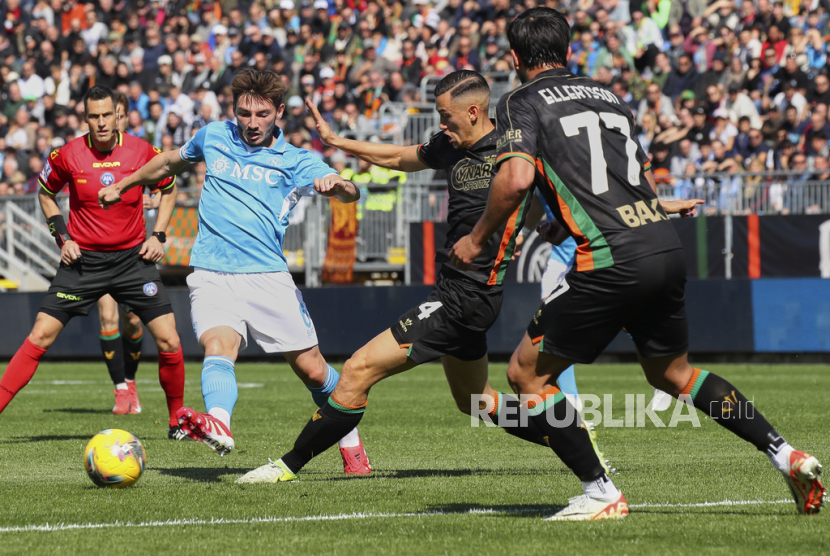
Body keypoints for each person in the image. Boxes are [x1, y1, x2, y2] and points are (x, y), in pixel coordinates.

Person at [449, 7, 824, 520]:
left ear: (515, 58)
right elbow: (634, 183)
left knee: (525, 376)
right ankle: (787, 455)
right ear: (569, 50)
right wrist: (564, 216)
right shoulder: (610, 96)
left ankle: (601, 492)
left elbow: (515, 180)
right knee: (675, 374)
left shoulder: (521, 101)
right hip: (662, 245)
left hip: (609, 258)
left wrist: (476, 238)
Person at [232, 70, 612, 484]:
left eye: (446, 116)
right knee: (475, 401)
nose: (440, 125)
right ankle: (573, 440)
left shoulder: (514, 149)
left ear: (473, 111)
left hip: (466, 297)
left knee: (358, 368)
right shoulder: (450, 144)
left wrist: (515, 229)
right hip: (462, 292)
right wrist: (339, 142)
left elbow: (559, 192)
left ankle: (287, 466)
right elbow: (399, 158)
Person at [98, 68, 371, 474]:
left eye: (262, 114)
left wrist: (339, 184)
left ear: (279, 111)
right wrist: (123, 186)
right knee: (218, 346)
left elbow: (351, 192)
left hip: (267, 277)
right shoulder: (213, 136)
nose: (252, 123)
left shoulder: (295, 159)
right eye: (244, 113)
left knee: (314, 371)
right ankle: (220, 425)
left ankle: (351, 445)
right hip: (211, 271)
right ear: (234, 110)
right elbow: (168, 163)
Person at [0, 86, 187, 440]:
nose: (101, 123)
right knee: (40, 333)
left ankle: (177, 421)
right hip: (83, 262)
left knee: (169, 341)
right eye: (94, 116)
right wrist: (63, 238)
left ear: (119, 115)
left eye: (107, 115)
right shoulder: (67, 155)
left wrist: (159, 235)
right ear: (86, 118)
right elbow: (45, 194)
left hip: (134, 259)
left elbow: (169, 186)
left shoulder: (142, 151)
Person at [96, 91, 151, 415]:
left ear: (124, 117)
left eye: (115, 113)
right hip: (98, 250)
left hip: (131, 252)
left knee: (132, 321)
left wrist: (150, 200)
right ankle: (119, 391)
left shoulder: (138, 152)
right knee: (107, 315)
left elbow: (159, 185)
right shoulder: (90, 151)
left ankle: (130, 381)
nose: (109, 120)